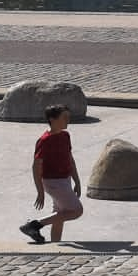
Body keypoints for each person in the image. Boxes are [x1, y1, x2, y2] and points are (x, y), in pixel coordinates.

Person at [18, 104, 82, 245]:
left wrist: (77, 180)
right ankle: (34, 225)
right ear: (52, 119)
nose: (68, 120)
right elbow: (36, 167)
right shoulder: (44, 140)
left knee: (60, 215)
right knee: (76, 211)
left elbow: (70, 159)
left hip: (65, 180)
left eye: (68, 117)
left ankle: (54, 246)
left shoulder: (65, 135)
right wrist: (40, 191)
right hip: (53, 182)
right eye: (64, 117)